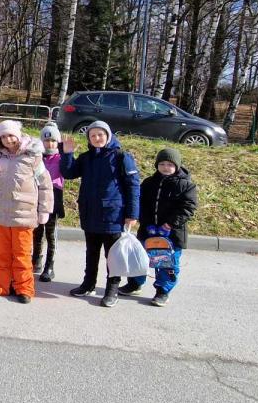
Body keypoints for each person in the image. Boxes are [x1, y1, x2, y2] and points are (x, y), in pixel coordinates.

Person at [60, 120, 141, 308]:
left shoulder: (121, 157)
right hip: (90, 213)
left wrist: (132, 213)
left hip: (113, 214)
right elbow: (69, 172)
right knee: (92, 252)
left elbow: (133, 186)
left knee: (112, 255)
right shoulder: (87, 157)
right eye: (93, 135)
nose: (97, 138)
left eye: (100, 134)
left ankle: (112, 289)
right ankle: (88, 284)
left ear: (108, 135)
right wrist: (67, 153)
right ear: (89, 138)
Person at [0, 120, 53, 302]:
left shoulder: (33, 156)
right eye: (3, 136)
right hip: (1, 213)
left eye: (11, 135)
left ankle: (24, 288)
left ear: (19, 135)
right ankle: (1, 284)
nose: (8, 139)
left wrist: (45, 210)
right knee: (2, 252)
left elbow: (45, 184)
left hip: (24, 214)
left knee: (21, 254)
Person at [120, 147, 198, 306]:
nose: (165, 167)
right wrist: (146, 222)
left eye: (169, 164)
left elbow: (188, 208)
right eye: (161, 164)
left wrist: (169, 224)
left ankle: (163, 291)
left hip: (171, 234)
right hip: (148, 231)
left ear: (177, 165)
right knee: (139, 258)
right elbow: (140, 203)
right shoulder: (149, 183)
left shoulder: (186, 185)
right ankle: (135, 283)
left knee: (166, 263)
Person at [34, 123, 66, 281]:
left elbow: (69, 170)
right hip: (37, 196)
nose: (50, 144)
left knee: (50, 234)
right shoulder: (37, 156)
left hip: (55, 196)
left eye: (53, 140)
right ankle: (36, 259)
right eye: (46, 140)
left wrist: (68, 154)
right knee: (37, 232)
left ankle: (49, 265)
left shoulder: (61, 157)